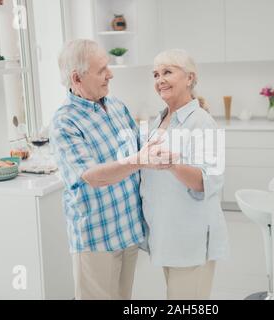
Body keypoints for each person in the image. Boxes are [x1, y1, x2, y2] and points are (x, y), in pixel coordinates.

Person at [50, 39, 171, 300]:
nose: (111, 73)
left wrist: (174, 119)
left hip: (127, 229)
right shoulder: (64, 122)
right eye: (102, 69)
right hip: (97, 238)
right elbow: (92, 176)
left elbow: (140, 148)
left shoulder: (116, 106)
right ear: (77, 77)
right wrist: (141, 159)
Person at [140, 49, 229, 300]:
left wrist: (172, 165)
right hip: (166, 232)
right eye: (156, 74)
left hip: (190, 238)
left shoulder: (200, 122)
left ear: (189, 78)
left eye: (167, 72)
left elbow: (207, 181)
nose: (159, 80)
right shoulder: (159, 120)